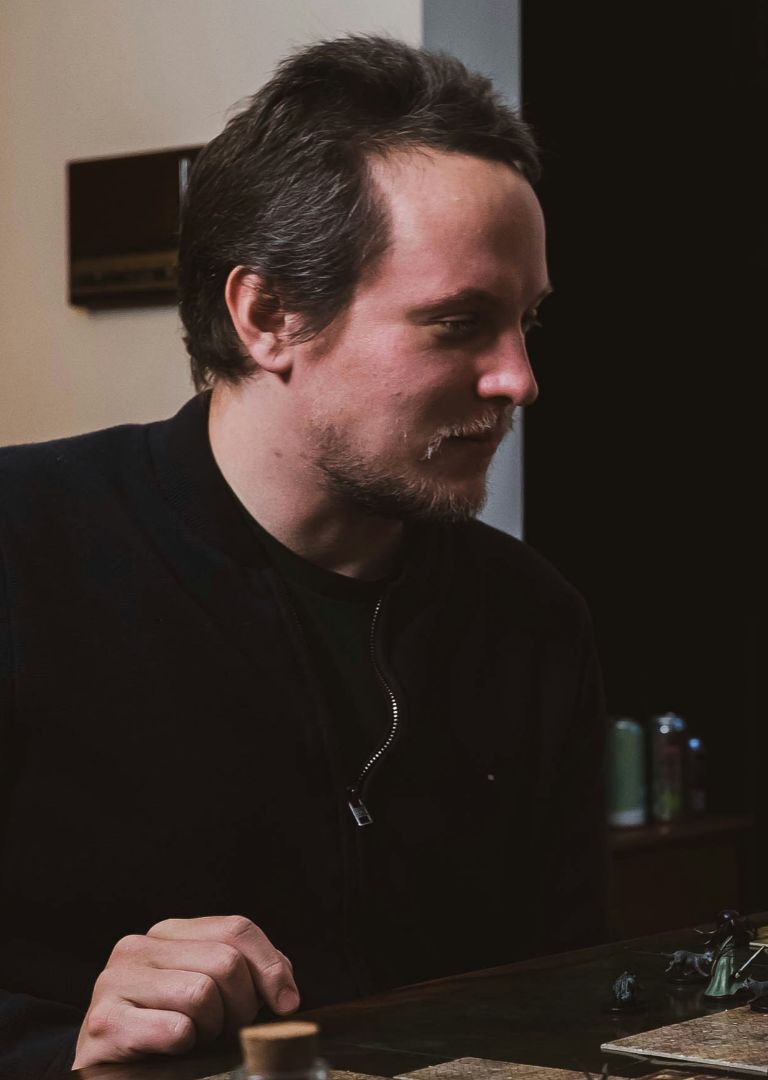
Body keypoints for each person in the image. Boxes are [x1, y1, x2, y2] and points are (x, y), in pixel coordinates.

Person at [0, 36, 607, 1073]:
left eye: (526, 321)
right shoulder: (22, 551)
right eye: (460, 322)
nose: (518, 379)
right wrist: (64, 1052)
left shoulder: (532, 620)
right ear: (268, 315)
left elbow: (569, 996)